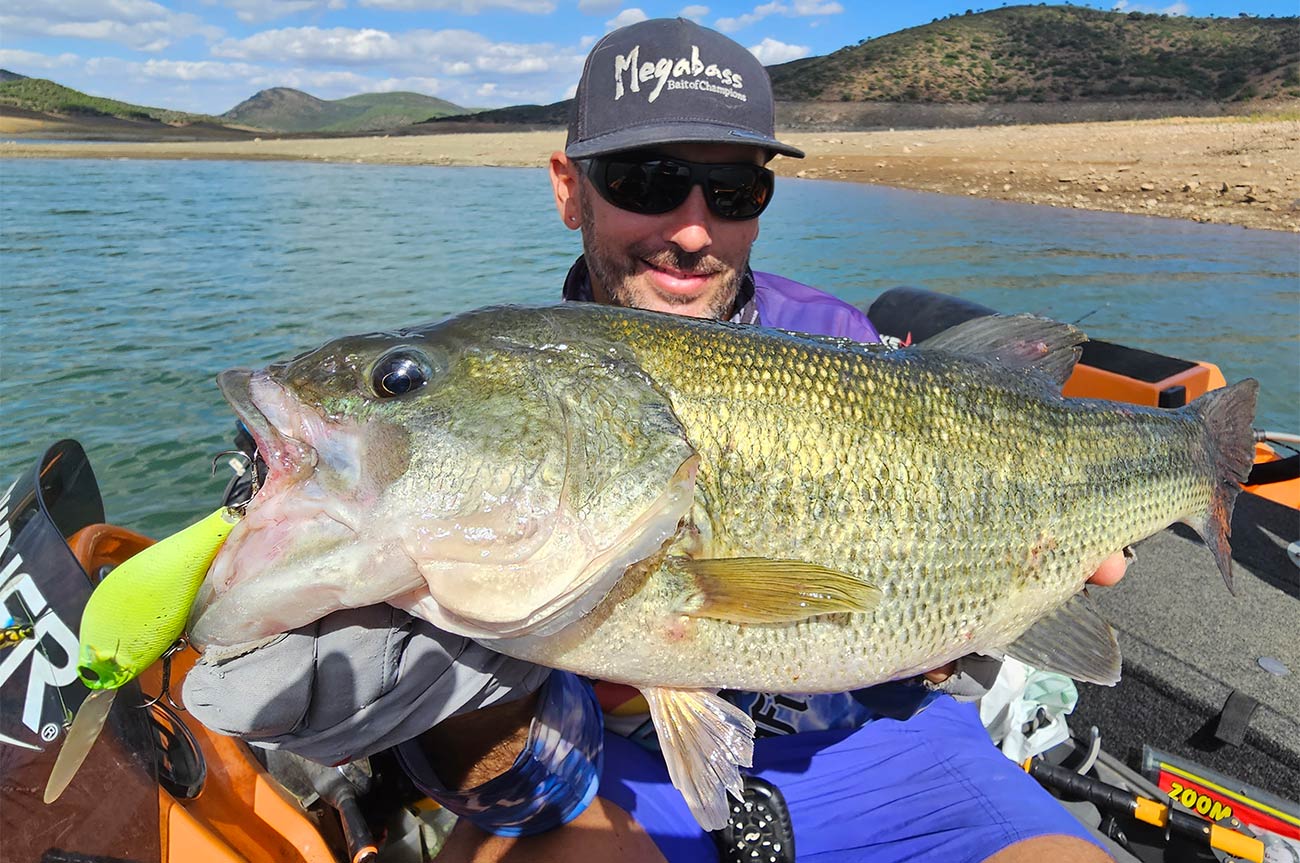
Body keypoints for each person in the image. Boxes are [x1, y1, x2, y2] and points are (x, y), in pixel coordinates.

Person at [185, 17, 1127, 863]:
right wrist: (471, 704)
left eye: (732, 189)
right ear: (569, 189)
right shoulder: (510, 384)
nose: (691, 227)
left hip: (883, 741)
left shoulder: (845, 345)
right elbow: (532, 797)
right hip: (615, 780)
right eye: (647, 180)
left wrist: (993, 596)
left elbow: (912, 632)